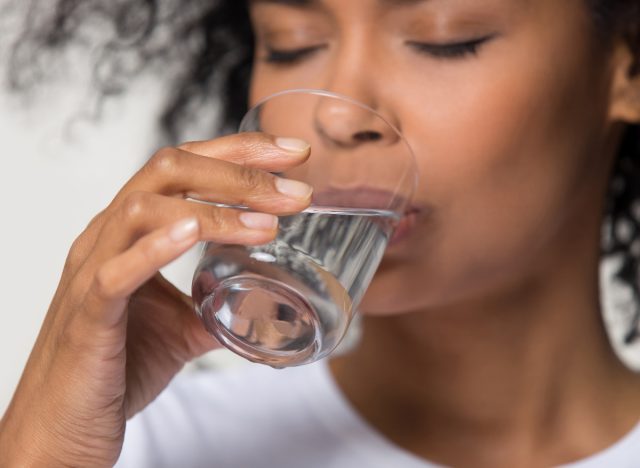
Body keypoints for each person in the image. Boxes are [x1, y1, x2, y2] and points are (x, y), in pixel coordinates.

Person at [1, 0, 640, 466]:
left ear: (628, 66)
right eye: (291, 44)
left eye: (445, 39)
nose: (335, 111)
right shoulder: (138, 447)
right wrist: (42, 449)